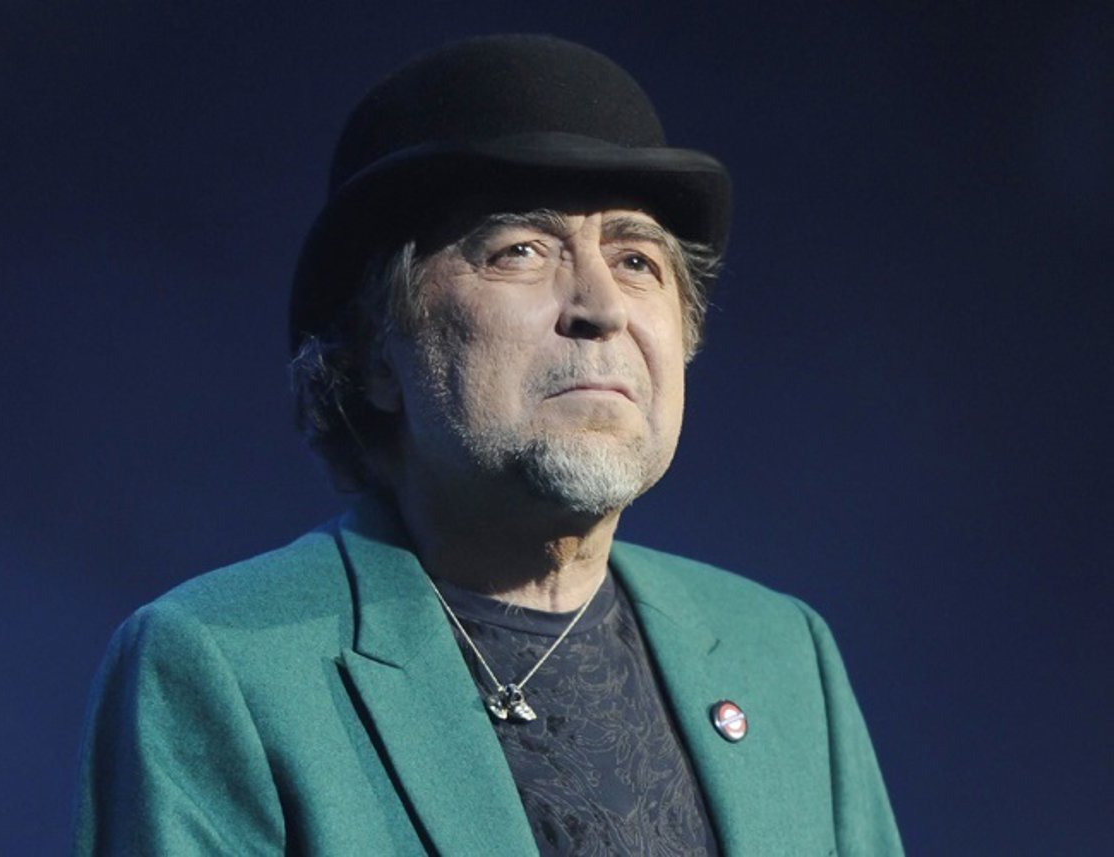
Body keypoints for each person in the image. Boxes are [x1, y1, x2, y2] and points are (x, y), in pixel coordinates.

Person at [72, 34, 902, 856]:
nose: (601, 306)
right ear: (375, 354)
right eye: (521, 251)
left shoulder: (783, 650)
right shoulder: (222, 664)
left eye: (637, 260)